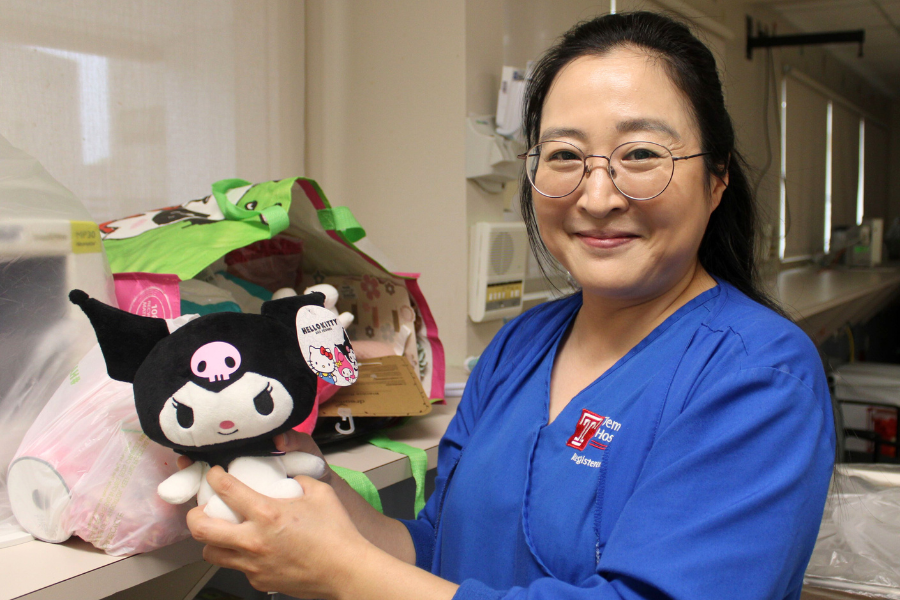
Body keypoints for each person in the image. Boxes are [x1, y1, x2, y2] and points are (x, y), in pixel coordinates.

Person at [184, 11, 835, 600]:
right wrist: (309, 492)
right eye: (564, 156)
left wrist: (343, 573)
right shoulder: (520, 347)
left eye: (640, 154)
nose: (597, 195)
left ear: (717, 178)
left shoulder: (759, 378)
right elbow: (440, 552)